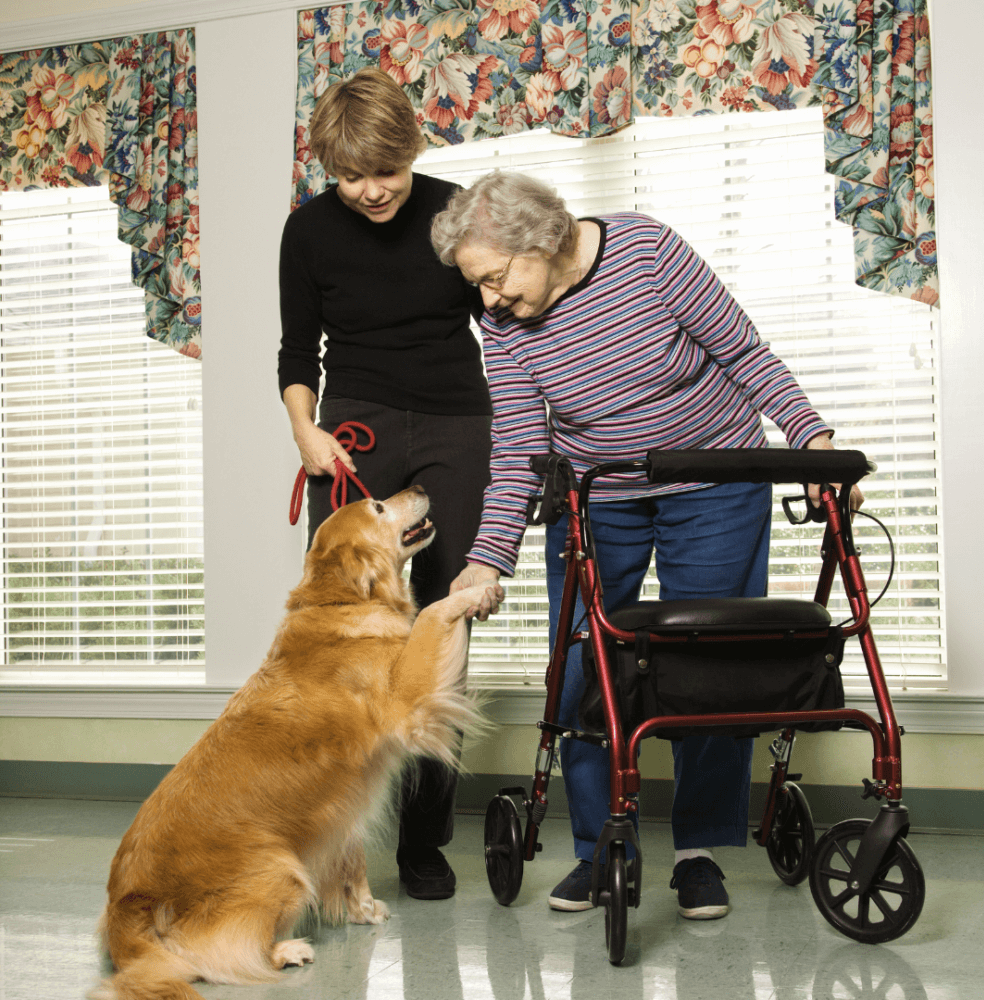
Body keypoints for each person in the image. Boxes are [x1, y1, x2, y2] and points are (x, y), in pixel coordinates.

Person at [430, 171, 863, 918]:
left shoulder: (646, 252)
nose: (489, 301)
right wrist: (484, 560)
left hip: (715, 481)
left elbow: (744, 355)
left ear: (543, 240)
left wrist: (813, 445)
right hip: (597, 496)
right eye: (478, 286)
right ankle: (601, 846)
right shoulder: (501, 325)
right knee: (581, 662)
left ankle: (698, 851)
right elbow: (520, 451)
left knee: (712, 663)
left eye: (495, 278)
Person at [277, 68, 501, 901]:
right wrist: (306, 430)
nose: (372, 192)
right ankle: (335, 841)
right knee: (343, 633)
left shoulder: (454, 215)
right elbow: (298, 352)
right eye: (351, 177)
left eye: (387, 172)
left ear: (413, 150)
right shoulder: (307, 232)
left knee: (443, 630)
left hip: (457, 423)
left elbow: (506, 325)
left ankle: (423, 841)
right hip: (356, 430)